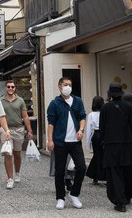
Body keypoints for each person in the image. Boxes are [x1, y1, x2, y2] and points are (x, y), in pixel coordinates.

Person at [47, 76, 86, 210]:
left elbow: (82, 117)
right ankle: (60, 197)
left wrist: (81, 130)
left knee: (81, 168)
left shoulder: (78, 101)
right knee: (59, 171)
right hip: (60, 142)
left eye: (69, 84)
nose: (67, 87)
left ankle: (74, 193)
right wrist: (50, 140)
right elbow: (51, 123)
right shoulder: (54, 103)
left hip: (75, 142)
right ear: (59, 87)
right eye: (65, 84)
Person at [99, 83, 132, 212]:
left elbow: (102, 128)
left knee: (114, 173)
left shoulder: (105, 108)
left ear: (110, 94)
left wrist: (102, 142)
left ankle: (119, 201)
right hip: (127, 144)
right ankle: (127, 196)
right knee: (127, 172)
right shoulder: (129, 107)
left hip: (111, 145)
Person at [0, 80, 33, 189]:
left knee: (17, 153)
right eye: (8, 86)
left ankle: (17, 172)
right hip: (6, 130)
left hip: (18, 129)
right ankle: (10, 178)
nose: (10, 88)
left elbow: (25, 116)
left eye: (12, 87)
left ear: (15, 88)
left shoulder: (20, 101)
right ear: (6, 87)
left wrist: (29, 130)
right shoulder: (1, 101)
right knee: (7, 153)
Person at [85, 96, 105, 184]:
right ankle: (104, 176)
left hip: (96, 135)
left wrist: (88, 143)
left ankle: (95, 176)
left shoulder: (91, 115)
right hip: (105, 135)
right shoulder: (105, 113)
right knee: (105, 155)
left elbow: (89, 129)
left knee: (96, 155)